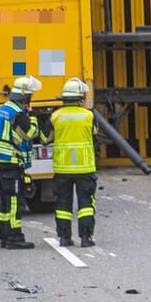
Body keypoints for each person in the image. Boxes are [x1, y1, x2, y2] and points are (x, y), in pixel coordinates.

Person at [0, 76, 45, 248]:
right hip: (11, 162)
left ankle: (4, 236)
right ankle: (14, 238)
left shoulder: (5, 107)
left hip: (2, 162)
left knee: (6, 203)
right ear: (26, 97)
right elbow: (29, 133)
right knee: (15, 203)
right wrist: (33, 116)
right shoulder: (18, 113)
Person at [50, 78, 100, 247]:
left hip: (62, 169)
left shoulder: (55, 117)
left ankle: (64, 238)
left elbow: (44, 139)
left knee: (63, 204)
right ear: (80, 98)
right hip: (85, 168)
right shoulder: (89, 115)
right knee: (86, 204)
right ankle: (86, 238)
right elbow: (95, 133)